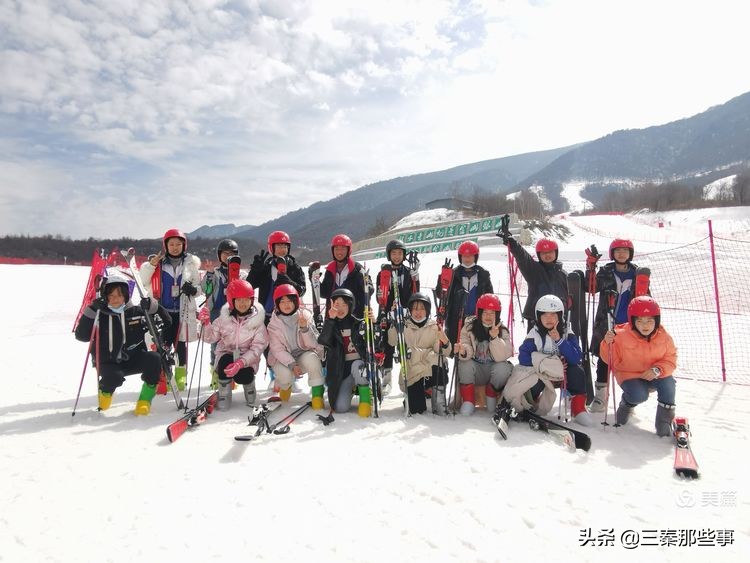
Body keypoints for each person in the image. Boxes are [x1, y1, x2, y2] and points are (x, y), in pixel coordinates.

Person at [74, 274, 171, 415]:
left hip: (134, 358)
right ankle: (105, 395)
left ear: (126, 296)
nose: (115, 300)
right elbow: (81, 336)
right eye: (111, 296)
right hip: (108, 361)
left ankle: (144, 401)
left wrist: (153, 306)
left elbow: (167, 322)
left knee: (154, 359)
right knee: (114, 377)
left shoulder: (136, 313)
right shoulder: (100, 314)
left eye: (119, 295)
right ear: (105, 296)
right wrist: (92, 310)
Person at [500, 295, 593, 426]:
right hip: (543, 376)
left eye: (553, 315)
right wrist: (549, 364)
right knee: (532, 378)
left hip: (562, 375)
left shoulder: (566, 332)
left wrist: (560, 341)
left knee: (577, 371)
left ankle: (578, 409)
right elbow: (523, 357)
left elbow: (576, 357)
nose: (549, 319)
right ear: (539, 317)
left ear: (560, 316)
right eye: (545, 315)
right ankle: (533, 404)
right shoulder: (535, 334)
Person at [599, 296, 677, 436]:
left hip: (654, 374)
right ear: (633, 321)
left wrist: (658, 369)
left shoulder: (664, 337)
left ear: (656, 320)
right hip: (630, 376)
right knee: (639, 395)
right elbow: (609, 359)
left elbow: (670, 359)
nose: (645, 325)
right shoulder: (620, 335)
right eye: (640, 321)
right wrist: (606, 343)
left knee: (669, 383)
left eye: (649, 321)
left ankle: (664, 423)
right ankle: (626, 405)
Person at [585, 239, 646, 412]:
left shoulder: (637, 274)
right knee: (604, 359)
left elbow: (645, 297)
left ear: (630, 254)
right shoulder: (606, 272)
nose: (621, 254)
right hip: (607, 322)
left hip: (629, 325)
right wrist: (591, 267)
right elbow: (590, 287)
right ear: (612, 253)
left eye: (625, 251)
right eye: (618, 251)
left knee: (628, 360)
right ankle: (600, 397)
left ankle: (630, 399)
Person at [139, 228, 201, 391]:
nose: (175, 247)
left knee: (180, 346)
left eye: (178, 244)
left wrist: (193, 291)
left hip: (182, 312)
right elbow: (143, 281)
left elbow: (198, 287)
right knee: (162, 346)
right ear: (166, 245)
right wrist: (151, 266)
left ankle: (180, 377)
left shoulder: (190, 264)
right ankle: (163, 376)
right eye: (171, 244)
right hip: (162, 312)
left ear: (183, 245)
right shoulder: (157, 263)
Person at [198, 280, 268, 410]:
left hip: (247, 359)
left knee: (245, 375)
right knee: (224, 362)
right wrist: (206, 324)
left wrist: (240, 363)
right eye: (239, 300)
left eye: (246, 299)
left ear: (252, 300)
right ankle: (224, 394)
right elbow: (210, 338)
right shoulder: (223, 319)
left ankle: (250, 390)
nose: (243, 303)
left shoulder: (257, 322)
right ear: (232, 301)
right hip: (227, 353)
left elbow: (257, 348)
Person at [387, 292, 451, 415]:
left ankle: (438, 401)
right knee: (417, 409)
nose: (418, 312)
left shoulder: (434, 327)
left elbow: (443, 352)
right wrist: (394, 323)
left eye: (422, 308)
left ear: (427, 310)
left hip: (428, 368)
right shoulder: (403, 325)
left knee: (439, 362)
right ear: (410, 310)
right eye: (415, 309)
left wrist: (445, 341)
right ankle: (415, 395)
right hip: (412, 372)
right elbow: (392, 342)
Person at [267, 284, 326, 409]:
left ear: (296, 302)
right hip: (283, 360)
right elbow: (277, 350)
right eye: (282, 301)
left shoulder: (305, 316)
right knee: (286, 375)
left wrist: (305, 328)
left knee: (313, 359)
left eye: (289, 300)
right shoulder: (273, 324)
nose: (286, 304)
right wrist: (292, 364)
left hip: (303, 353)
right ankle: (285, 386)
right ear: (277, 304)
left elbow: (313, 344)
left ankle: (317, 395)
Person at [317, 288, 374, 417]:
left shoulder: (359, 323)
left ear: (350, 305)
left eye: (344, 304)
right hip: (342, 372)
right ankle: (352, 388)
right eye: (337, 305)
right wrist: (330, 320)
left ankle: (365, 400)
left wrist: (373, 324)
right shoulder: (332, 325)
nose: (341, 308)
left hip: (359, 368)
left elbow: (375, 343)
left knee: (357, 365)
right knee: (340, 408)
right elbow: (323, 340)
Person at [455, 294, 513, 416]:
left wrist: (495, 338)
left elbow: (503, 355)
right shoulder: (469, 327)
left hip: (492, 371)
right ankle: (469, 401)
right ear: (479, 312)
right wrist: (463, 350)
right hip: (476, 370)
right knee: (465, 363)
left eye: (492, 313)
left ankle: (491, 394)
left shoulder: (502, 330)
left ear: (497, 314)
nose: (488, 316)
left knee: (504, 368)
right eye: (485, 312)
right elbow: (466, 344)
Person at [376, 239, 420, 395]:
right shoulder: (382, 273)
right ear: (389, 254)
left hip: (406, 315)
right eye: (393, 253)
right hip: (388, 314)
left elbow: (415, 294)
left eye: (400, 253)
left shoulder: (408, 272)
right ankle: (386, 380)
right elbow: (379, 297)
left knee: (406, 348)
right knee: (387, 346)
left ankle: (407, 379)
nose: (397, 256)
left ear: (404, 255)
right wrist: (384, 306)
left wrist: (416, 278)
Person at [499, 232, 567, 330]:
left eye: (550, 252)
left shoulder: (563, 274)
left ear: (556, 253)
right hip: (536, 320)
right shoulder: (534, 270)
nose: (547, 255)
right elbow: (523, 257)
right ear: (539, 255)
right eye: (544, 253)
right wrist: (513, 244)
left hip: (558, 319)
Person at [201, 239, 241, 388]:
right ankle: (216, 374)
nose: (228, 256)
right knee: (215, 344)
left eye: (231, 253)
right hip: (216, 312)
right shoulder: (216, 272)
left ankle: (232, 375)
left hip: (234, 312)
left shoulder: (240, 273)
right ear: (220, 255)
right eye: (225, 253)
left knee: (234, 343)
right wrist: (210, 274)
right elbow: (206, 288)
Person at [246, 230, 306, 326]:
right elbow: (249, 286)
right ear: (271, 248)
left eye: (285, 246)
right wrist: (255, 270)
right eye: (278, 246)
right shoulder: (266, 267)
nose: (282, 249)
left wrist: (289, 282)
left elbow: (302, 291)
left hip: (288, 317)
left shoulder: (294, 268)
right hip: (266, 316)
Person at [444, 240, 493, 347]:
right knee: (459, 349)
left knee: (476, 347)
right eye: (464, 256)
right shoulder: (454, 274)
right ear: (460, 257)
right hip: (457, 320)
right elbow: (442, 295)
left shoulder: (483, 275)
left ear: (475, 257)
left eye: (470, 256)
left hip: (477, 320)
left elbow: (491, 298)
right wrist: (443, 279)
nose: (467, 259)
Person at [320, 233, 367, 319]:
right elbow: (324, 293)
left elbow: (367, 290)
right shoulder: (330, 270)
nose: (339, 252)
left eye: (343, 249)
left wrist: (367, 286)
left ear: (348, 250)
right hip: (333, 315)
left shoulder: (357, 269)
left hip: (353, 317)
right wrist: (315, 282)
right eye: (336, 249)